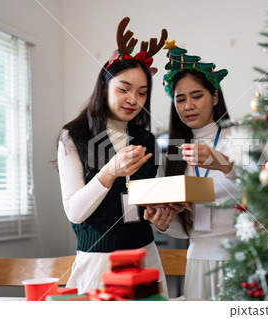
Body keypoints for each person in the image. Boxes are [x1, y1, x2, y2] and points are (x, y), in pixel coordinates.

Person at [57, 17, 169, 296]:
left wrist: (159, 215)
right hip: (98, 263)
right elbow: (75, 212)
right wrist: (109, 172)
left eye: (142, 93)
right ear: (104, 86)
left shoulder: (147, 140)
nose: (134, 99)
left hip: (145, 257)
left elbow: (143, 205)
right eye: (124, 89)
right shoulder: (73, 136)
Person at [144, 41, 239, 300]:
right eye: (180, 99)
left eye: (197, 96)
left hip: (241, 257)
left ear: (215, 97)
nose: (188, 106)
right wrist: (164, 222)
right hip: (197, 258)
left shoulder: (241, 136)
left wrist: (223, 164)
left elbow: (265, 193)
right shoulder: (175, 151)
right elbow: (185, 228)